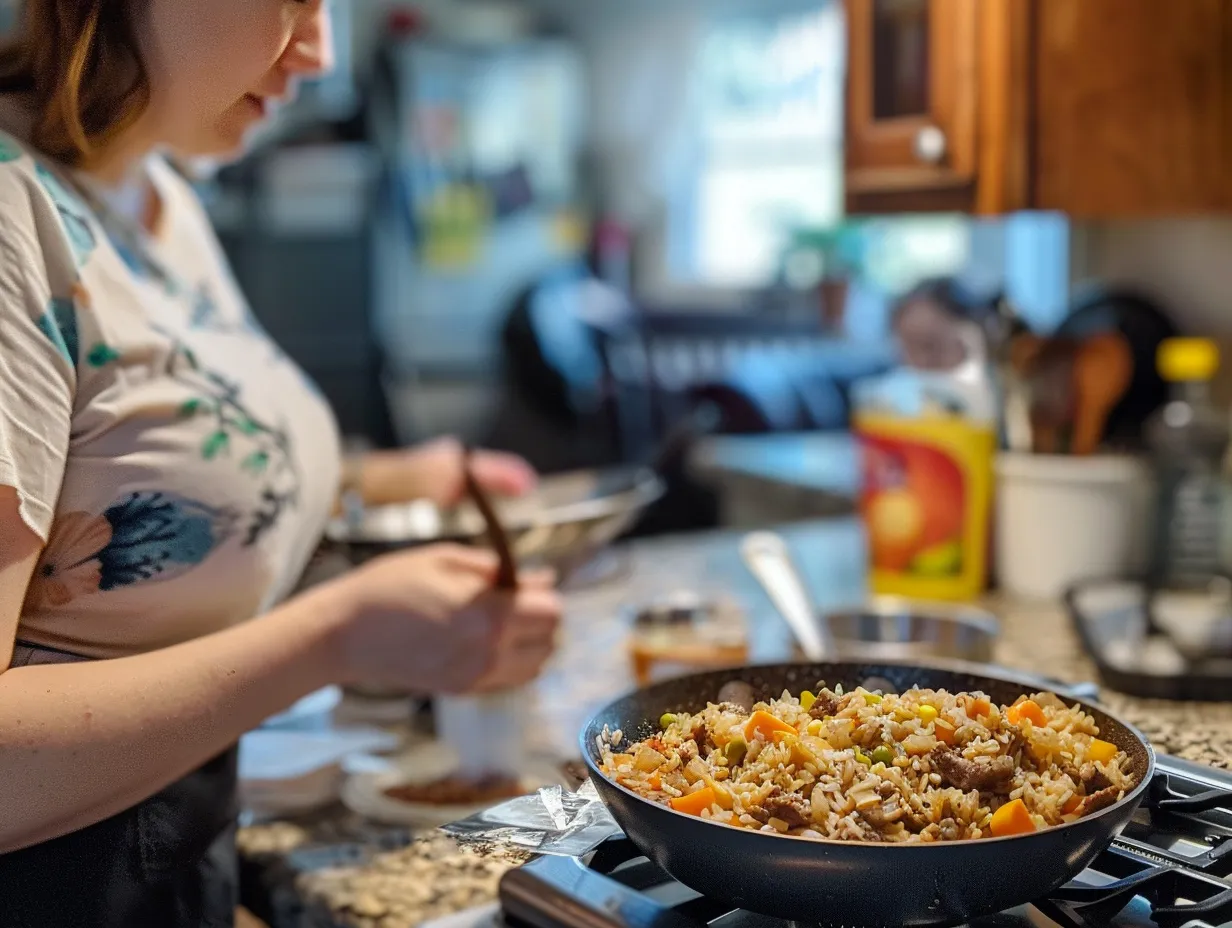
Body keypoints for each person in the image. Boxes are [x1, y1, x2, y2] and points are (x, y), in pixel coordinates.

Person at [0, 2, 561, 925]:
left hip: (178, 863)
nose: (319, 52)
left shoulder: (155, 193)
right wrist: (334, 637)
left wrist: (386, 482)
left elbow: (141, 463)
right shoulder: (14, 210)